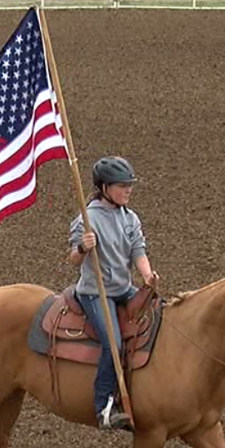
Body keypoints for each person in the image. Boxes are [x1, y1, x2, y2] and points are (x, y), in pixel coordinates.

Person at [67, 156, 159, 431]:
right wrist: (83, 248)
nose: (129, 190)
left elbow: (137, 250)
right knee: (114, 345)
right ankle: (104, 406)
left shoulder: (129, 218)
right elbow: (72, 258)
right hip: (96, 294)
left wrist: (147, 275)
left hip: (122, 288)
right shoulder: (87, 218)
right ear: (105, 187)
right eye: (123, 185)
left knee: (157, 317)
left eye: (130, 185)